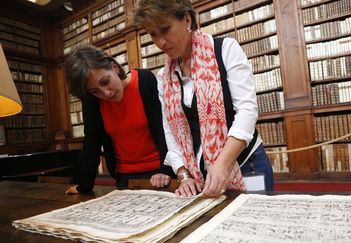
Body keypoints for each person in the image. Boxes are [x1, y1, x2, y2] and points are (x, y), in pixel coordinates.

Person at [134, 0, 274, 197]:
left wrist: (223, 164)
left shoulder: (225, 49)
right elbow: (169, 130)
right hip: (201, 175)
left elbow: (247, 112)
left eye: (165, 29)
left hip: (246, 166)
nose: (160, 42)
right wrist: (183, 174)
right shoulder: (163, 77)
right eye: (153, 34)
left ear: (187, 20)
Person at [64, 45, 174, 194]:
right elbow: (92, 143)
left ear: (114, 67)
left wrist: (165, 169)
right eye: (95, 91)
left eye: (105, 82)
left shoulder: (144, 80)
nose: (106, 93)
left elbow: (164, 127)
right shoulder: (92, 100)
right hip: (124, 177)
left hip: (160, 173)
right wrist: (84, 187)